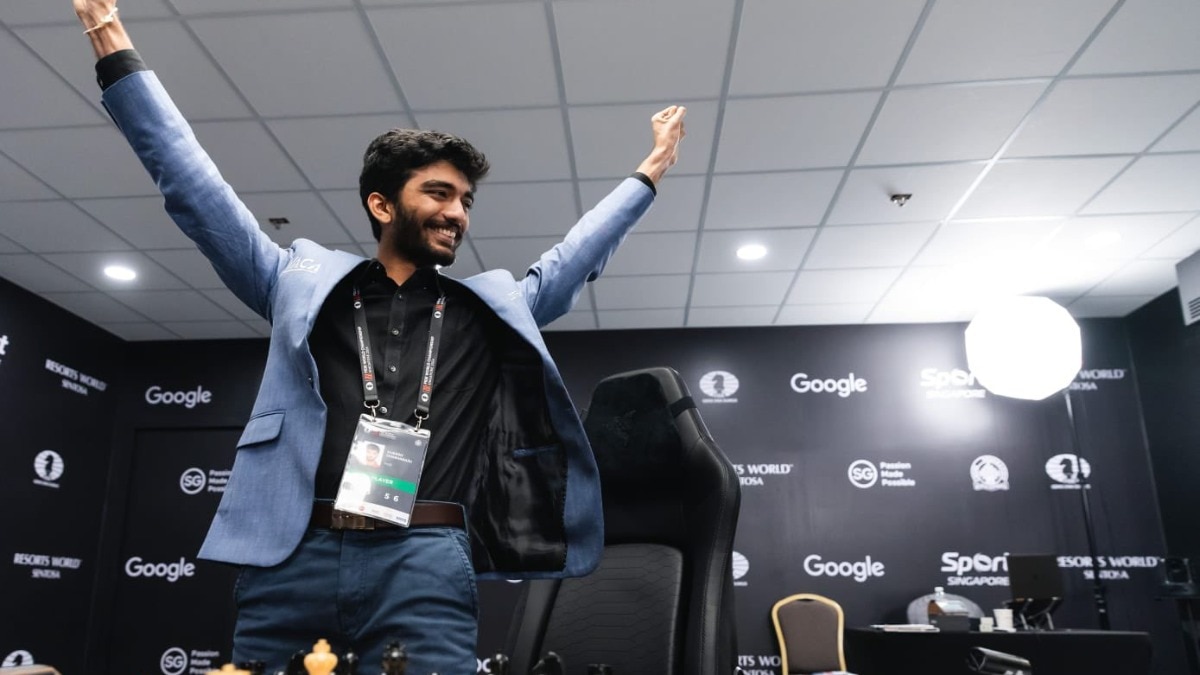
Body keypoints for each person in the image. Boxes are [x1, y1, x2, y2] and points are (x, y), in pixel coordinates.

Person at [71, 1, 686, 673]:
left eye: (467, 201)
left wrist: (649, 172)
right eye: (441, 193)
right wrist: (112, 43)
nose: (458, 213)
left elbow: (574, 257)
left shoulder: (487, 309)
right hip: (292, 558)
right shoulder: (296, 282)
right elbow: (194, 187)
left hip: (424, 560)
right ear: (382, 203)